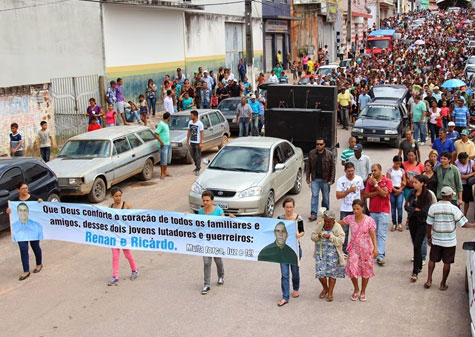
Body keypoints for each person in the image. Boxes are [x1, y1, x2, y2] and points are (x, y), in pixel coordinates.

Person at [425, 186, 475, 291]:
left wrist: (429, 237)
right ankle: (442, 284)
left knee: (432, 260)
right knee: (447, 263)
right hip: (449, 241)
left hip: (436, 239)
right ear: (450, 196)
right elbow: (463, 224)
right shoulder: (454, 209)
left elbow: (429, 224)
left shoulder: (433, 207)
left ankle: (429, 280)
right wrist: (473, 225)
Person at [337, 199, 377, 302]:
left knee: (365, 271)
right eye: (354, 209)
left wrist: (375, 248)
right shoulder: (350, 219)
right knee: (352, 268)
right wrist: (326, 221)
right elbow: (339, 223)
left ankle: (363, 291)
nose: (355, 211)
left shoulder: (369, 220)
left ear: (362, 208)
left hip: (366, 250)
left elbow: (373, 235)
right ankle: (356, 288)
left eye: (358, 209)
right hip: (354, 249)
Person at [7, 181, 43, 281]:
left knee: (35, 246)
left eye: (26, 188)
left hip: (32, 229)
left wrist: (40, 202)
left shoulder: (34, 199)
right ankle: (26, 270)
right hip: (21, 230)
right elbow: (11, 211)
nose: (25, 190)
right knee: (23, 249)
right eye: (23, 188)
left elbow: (40, 208)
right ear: (18, 190)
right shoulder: (15, 202)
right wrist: (8, 211)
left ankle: (39, 264)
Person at [199, 190, 232, 294]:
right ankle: (206, 284)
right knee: (206, 262)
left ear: (212, 201)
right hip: (205, 241)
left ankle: (221, 276)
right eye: (203, 200)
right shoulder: (200, 211)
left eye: (207, 200)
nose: (205, 202)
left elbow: (224, 224)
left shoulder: (218, 211)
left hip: (216, 240)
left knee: (217, 260)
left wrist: (231, 219)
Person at [311, 209, 346, 302]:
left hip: (333, 255)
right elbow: (312, 236)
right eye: (325, 221)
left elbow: (341, 240)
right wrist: (318, 236)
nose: (326, 224)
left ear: (333, 221)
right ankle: (325, 288)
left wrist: (331, 237)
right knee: (320, 273)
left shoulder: (337, 227)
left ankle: (330, 292)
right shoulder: (320, 225)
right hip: (321, 253)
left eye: (329, 222)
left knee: (332, 274)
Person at [276, 198, 304, 306]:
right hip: (283, 250)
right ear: (284, 207)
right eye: (287, 207)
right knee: (284, 274)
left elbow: (302, 231)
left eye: (291, 207)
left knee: (295, 271)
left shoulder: (298, 218)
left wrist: (298, 235)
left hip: (295, 249)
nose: (289, 209)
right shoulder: (280, 218)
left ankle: (296, 288)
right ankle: (285, 296)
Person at [404, 175, 433, 282]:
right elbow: (406, 206)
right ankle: (419, 264)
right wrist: (414, 209)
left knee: (417, 245)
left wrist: (414, 209)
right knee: (416, 243)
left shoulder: (427, 195)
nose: (414, 184)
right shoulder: (412, 193)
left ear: (422, 183)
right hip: (412, 222)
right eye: (414, 182)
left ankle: (415, 271)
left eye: (416, 182)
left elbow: (425, 211)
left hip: (422, 223)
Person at [108, 188, 139, 285]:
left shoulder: (126, 205)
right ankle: (115, 276)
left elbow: (134, 218)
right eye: (116, 196)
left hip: (124, 236)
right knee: (115, 256)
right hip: (115, 236)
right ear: (112, 197)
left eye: (120, 196)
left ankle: (134, 270)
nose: (118, 198)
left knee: (127, 254)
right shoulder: (111, 207)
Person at [364, 164, 392, 266]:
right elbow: (366, 194)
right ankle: (375, 251)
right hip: (373, 211)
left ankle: (380, 255)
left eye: (375, 170)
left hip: (384, 211)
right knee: (373, 233)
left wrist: (376, 185)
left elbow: (385, 195)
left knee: (381, 233)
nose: (373, 173)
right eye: (372, 171)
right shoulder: (369, 181)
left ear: (380, 170)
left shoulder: (387, 181)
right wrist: (378, 191)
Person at [336, 162, 364, 254]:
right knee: (344, 231)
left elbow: (362, 193)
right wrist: (349, 190)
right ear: (345, 171)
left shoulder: (359, 179)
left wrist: (363, 206)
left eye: (352, 171)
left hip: (357, 211)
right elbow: (338, 195)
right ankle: (343, 250)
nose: (351, 173)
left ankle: (356, 249)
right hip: (345, 209)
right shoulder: (341, 180)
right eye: (349, 171)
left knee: (357, 231)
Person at [306, 138, 335, 221]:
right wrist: (308, 177)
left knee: (326, 197)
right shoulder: (312, 153)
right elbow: (308, 166)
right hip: (315, 179)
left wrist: (332, 178)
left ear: (324, 144)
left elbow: (333, 167)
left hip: (326, 180)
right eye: (317, 144)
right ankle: (313, 214)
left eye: (321, 144)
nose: (319, 146)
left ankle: (325, 213)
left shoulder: (329, 154)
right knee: (314, 196)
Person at [387, 156, 406, 232]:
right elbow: (388, 181)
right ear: (393, 162)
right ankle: (394, 223)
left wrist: (400, 189)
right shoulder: (390, 170)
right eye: (396, 163)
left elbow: (404, 181)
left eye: (399, 164)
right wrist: (394, 190)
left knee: (399, 206)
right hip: (392, 189)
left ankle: (400, 223)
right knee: (393, 207)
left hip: (399, 189)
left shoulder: (402, 170)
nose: (398, 165)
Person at [455, 152, 475, 216]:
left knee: (467, 200)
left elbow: (474, 172)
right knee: (458, 198)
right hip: (459, 183)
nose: (463, 162)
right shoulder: (457, 162)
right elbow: (454, 171)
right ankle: (459, 211)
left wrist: (468, 176)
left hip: (467, 184)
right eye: (461, 161)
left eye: (464, 160)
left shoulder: (471, 163)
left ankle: (465, 214)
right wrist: (459, 176)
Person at [154, 112, 172, 180]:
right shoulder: (161, 124)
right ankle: (162, 173)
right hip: (163, 145)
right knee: (163, 159)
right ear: (168, 117)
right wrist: (161, 142)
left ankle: (165, 172)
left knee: (167, 159)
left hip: (167, 143)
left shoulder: (166, 124)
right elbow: (156, 134)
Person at [186, 110, 204, 176]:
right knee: (192, 155)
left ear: (195, 116)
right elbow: (189, 131)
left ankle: (197, 169)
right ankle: (197, 166)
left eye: (191, 115)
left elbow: (202, 133)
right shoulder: (190, 122)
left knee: (198, 156)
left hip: (197, 142)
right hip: (192, 141)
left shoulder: (200, 124)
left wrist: (201, 143)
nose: (190, 116)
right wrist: (187, 140)